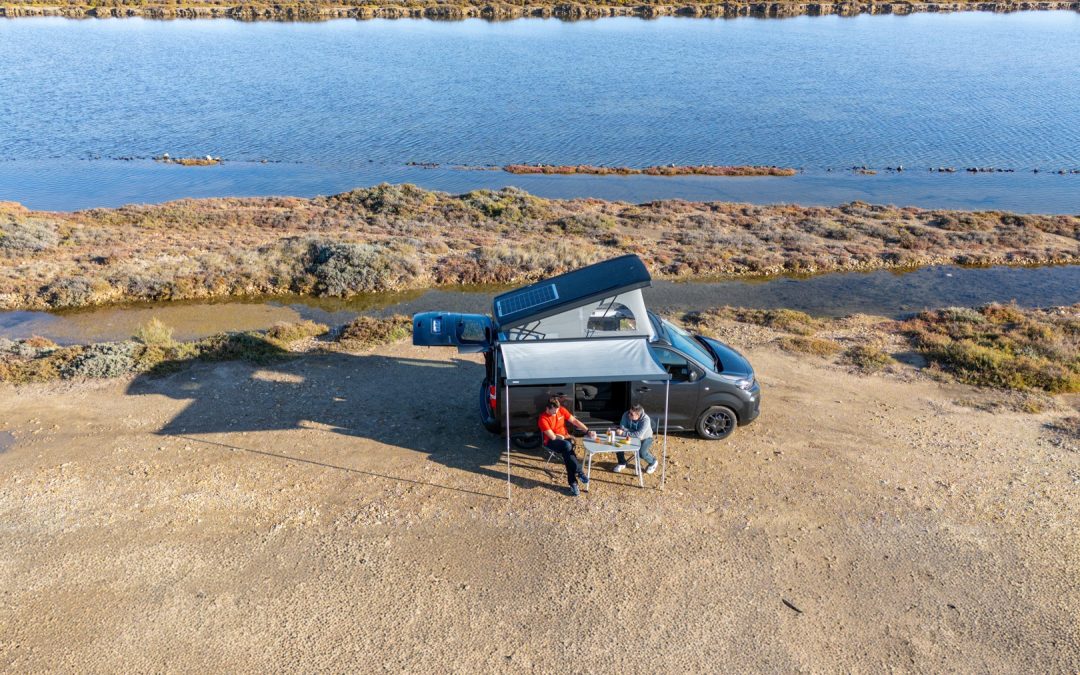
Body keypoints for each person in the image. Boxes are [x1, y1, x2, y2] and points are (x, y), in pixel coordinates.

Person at [538, 396, 591, 496]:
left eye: (557, 410)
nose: (556, 413)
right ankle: (579, 472)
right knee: (567, 446)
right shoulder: (543, 418)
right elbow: (553, 437)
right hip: (551, 442)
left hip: (565, 440)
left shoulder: (560, 410)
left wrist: (588, 431)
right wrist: (569, 436)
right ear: (547, 408)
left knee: (567, 453)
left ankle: (573, 483)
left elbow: (574, 421)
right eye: (554, 411)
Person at [614, 403, 659, 475]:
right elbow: (622, 428)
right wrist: (634, 432)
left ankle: (653, 462)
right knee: (617, 445)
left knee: (641, 453)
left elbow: (639, 435)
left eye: (631, 414)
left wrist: (626, 432)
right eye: (629, 412)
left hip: (646, 438)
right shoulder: (626, 414)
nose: (629, 415)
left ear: (638, 415)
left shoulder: (646, 419)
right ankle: (622, 463)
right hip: (630, 436)